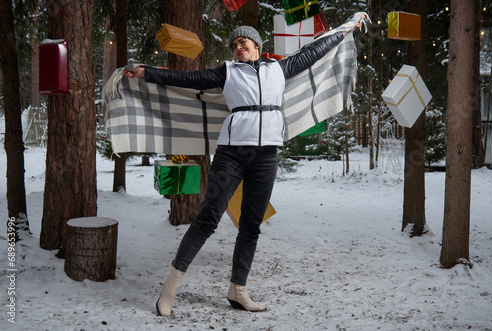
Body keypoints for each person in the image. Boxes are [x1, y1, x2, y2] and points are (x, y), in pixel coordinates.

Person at [124, 13, 365, 317]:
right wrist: (147, 72)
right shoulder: (228, 72)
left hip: (266, 158)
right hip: (232, 154)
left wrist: (346, 29)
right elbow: (187, 79)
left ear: (256, 44)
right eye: (235, 43)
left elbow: (314, 50)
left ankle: (238, 290)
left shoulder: (279, 68)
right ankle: (169, 289)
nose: (239, 46)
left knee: (251, 225)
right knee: (208, 219)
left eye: (244, 41)